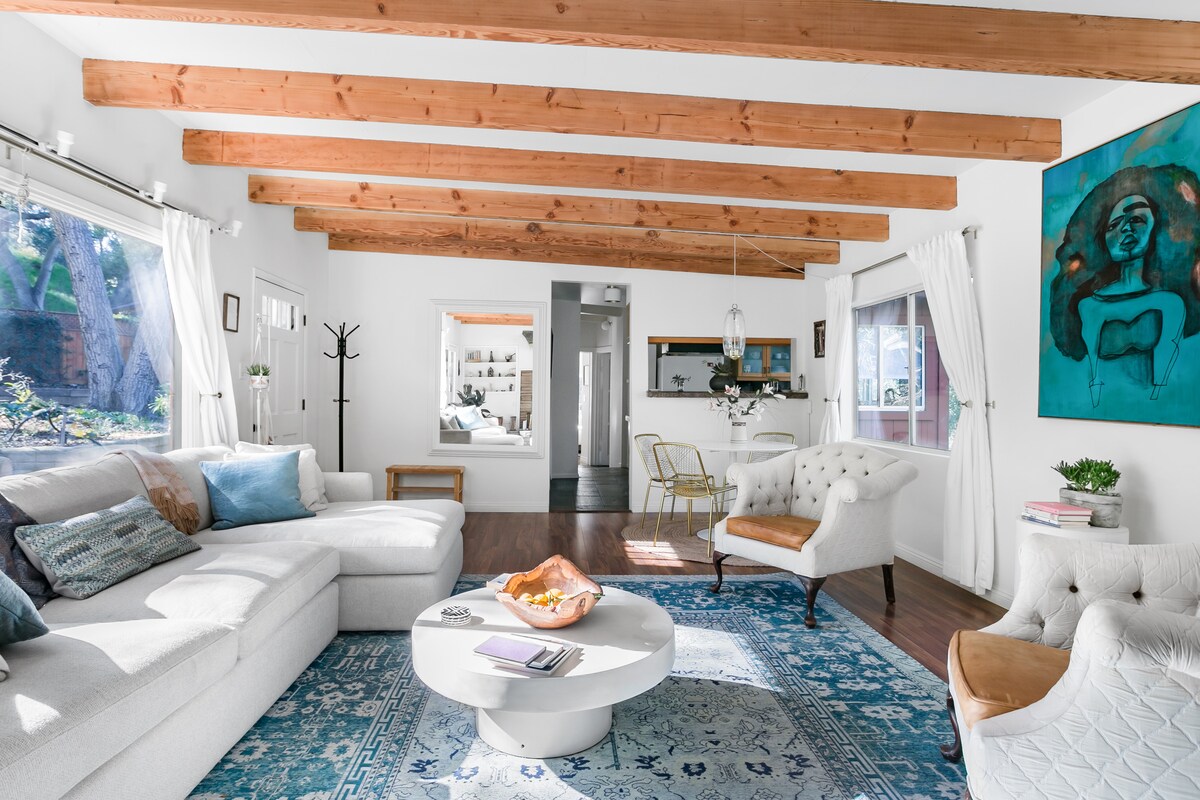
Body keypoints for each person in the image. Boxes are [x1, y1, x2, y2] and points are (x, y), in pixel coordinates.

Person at [1049, 165, 1200, 407]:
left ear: (1156, 227)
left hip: (1152, 410)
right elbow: (1093, 378)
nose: (1126, 229)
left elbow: (1164, 377)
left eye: (1137, 219)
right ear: (1102, 239)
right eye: (1113, 225)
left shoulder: (1170, 303)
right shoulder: (1088, 305)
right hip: (1099, 411)